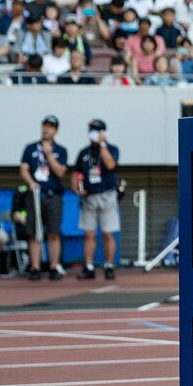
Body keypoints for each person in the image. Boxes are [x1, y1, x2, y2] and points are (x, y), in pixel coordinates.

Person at [19, 114, 70, 280]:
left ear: (56, 130)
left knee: (53, 232)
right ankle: (35, 266)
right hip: (35, 194)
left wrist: (49, 155)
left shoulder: (60, 150)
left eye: (50, 127)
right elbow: (24, 169)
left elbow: (61, 172)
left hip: (52, 194)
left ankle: (54, 266)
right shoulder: (30, 148)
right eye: (44, 126)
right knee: (34, 233)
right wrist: (30, 182)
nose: (46, 129)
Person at [71, 119, 120, 280]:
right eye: (91, 130)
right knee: (89, 233)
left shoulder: (112, 149)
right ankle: (89, 266)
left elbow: (111, 165)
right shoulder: (84, 153)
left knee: (107, 233)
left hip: (107, 195)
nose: (93, 134)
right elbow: (75, 172)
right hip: (89, 197)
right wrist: (76, 188)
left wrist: (102, 144)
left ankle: (109, 265)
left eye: (97, 131)